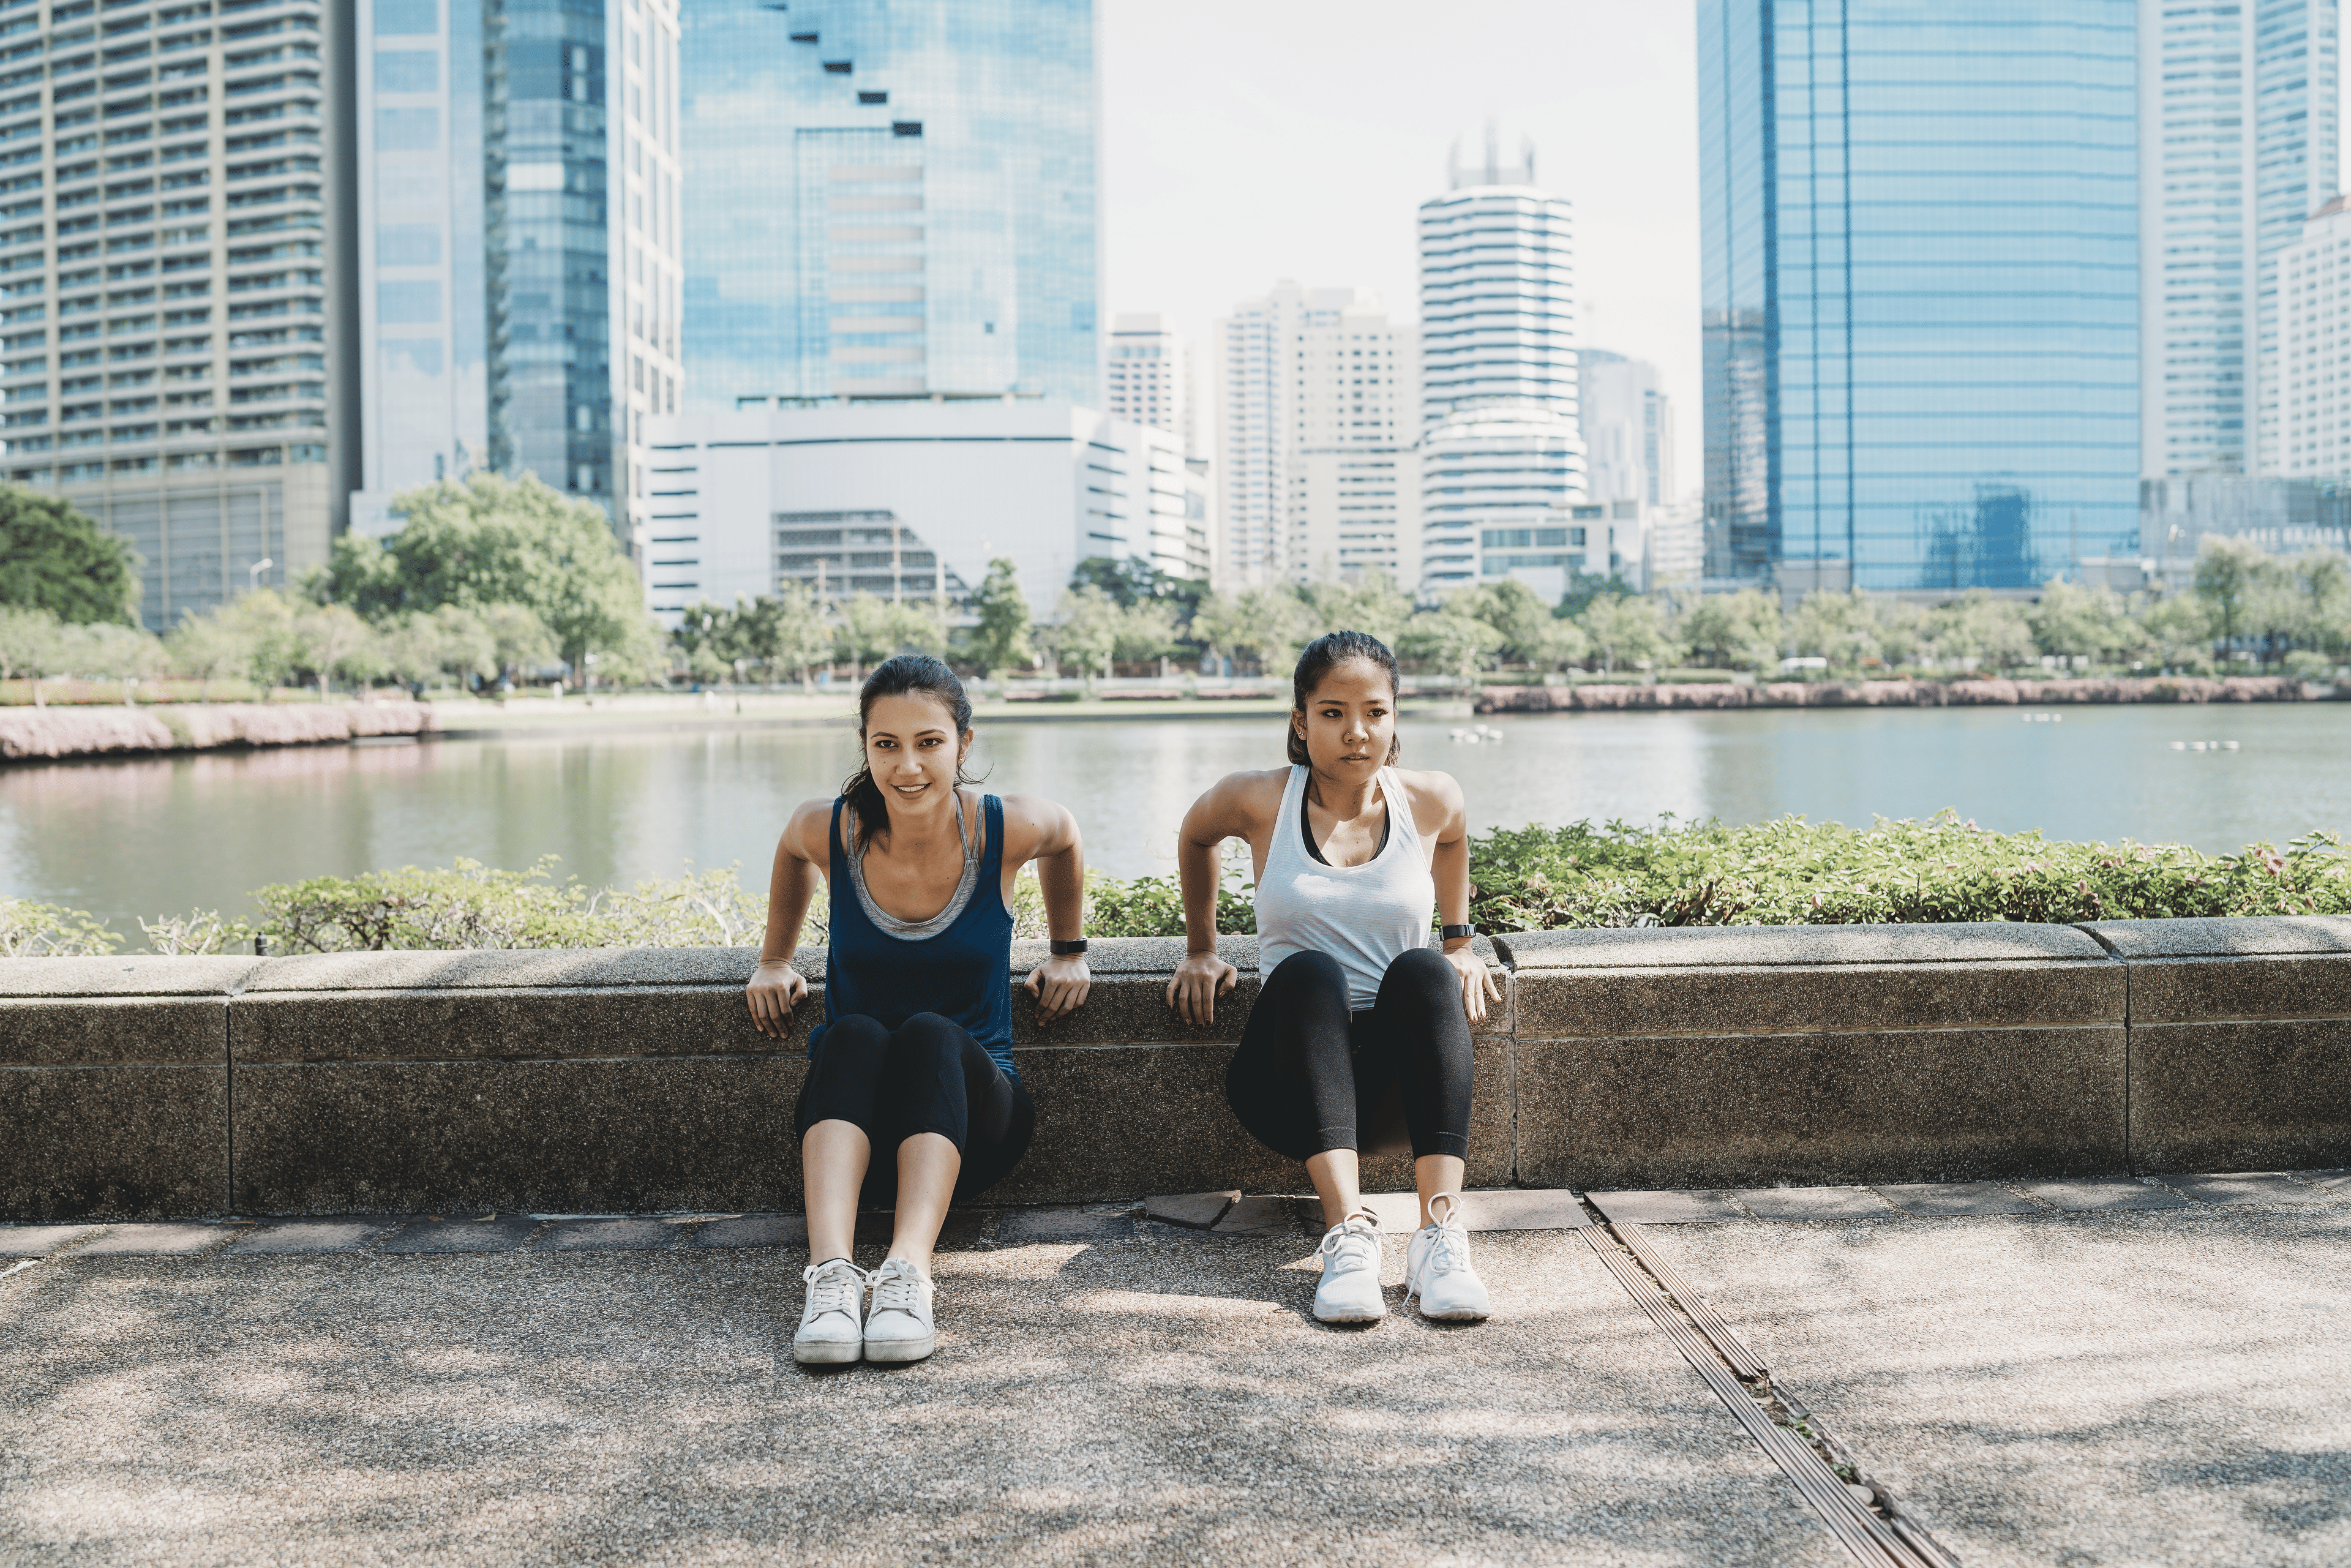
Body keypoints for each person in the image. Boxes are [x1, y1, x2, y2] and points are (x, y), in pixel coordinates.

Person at [746, 654, 1091, 1365]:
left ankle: (908, 1274)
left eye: (929, 742)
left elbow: (1065, 834)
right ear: (866, 746)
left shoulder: (1002, 828)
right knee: (850, 1035)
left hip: (974, 1132)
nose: (908, 765)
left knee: (932, 1033)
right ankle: (832, 1278)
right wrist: (775, 960)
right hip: (854, 1141)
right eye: (887, 744)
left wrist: (1068, 947)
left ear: (964, 744)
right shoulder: (832, 829)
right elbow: (789, 847)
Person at [1166, 630, 1498, 1326]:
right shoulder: (1259, 799)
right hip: (1287, 1084)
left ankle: (1438, 1236)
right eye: (1333, 712)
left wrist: (1460, 939)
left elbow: (1457, 833)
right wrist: (1202, 946)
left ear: (1395, 717)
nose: (1357, 731)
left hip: (1393, 1095)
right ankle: (1348, 1234)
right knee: (1309, 972)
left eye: (1375, 712)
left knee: (1424, 970)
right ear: (1300, 719)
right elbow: (1196, 834)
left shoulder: (1430, 797)